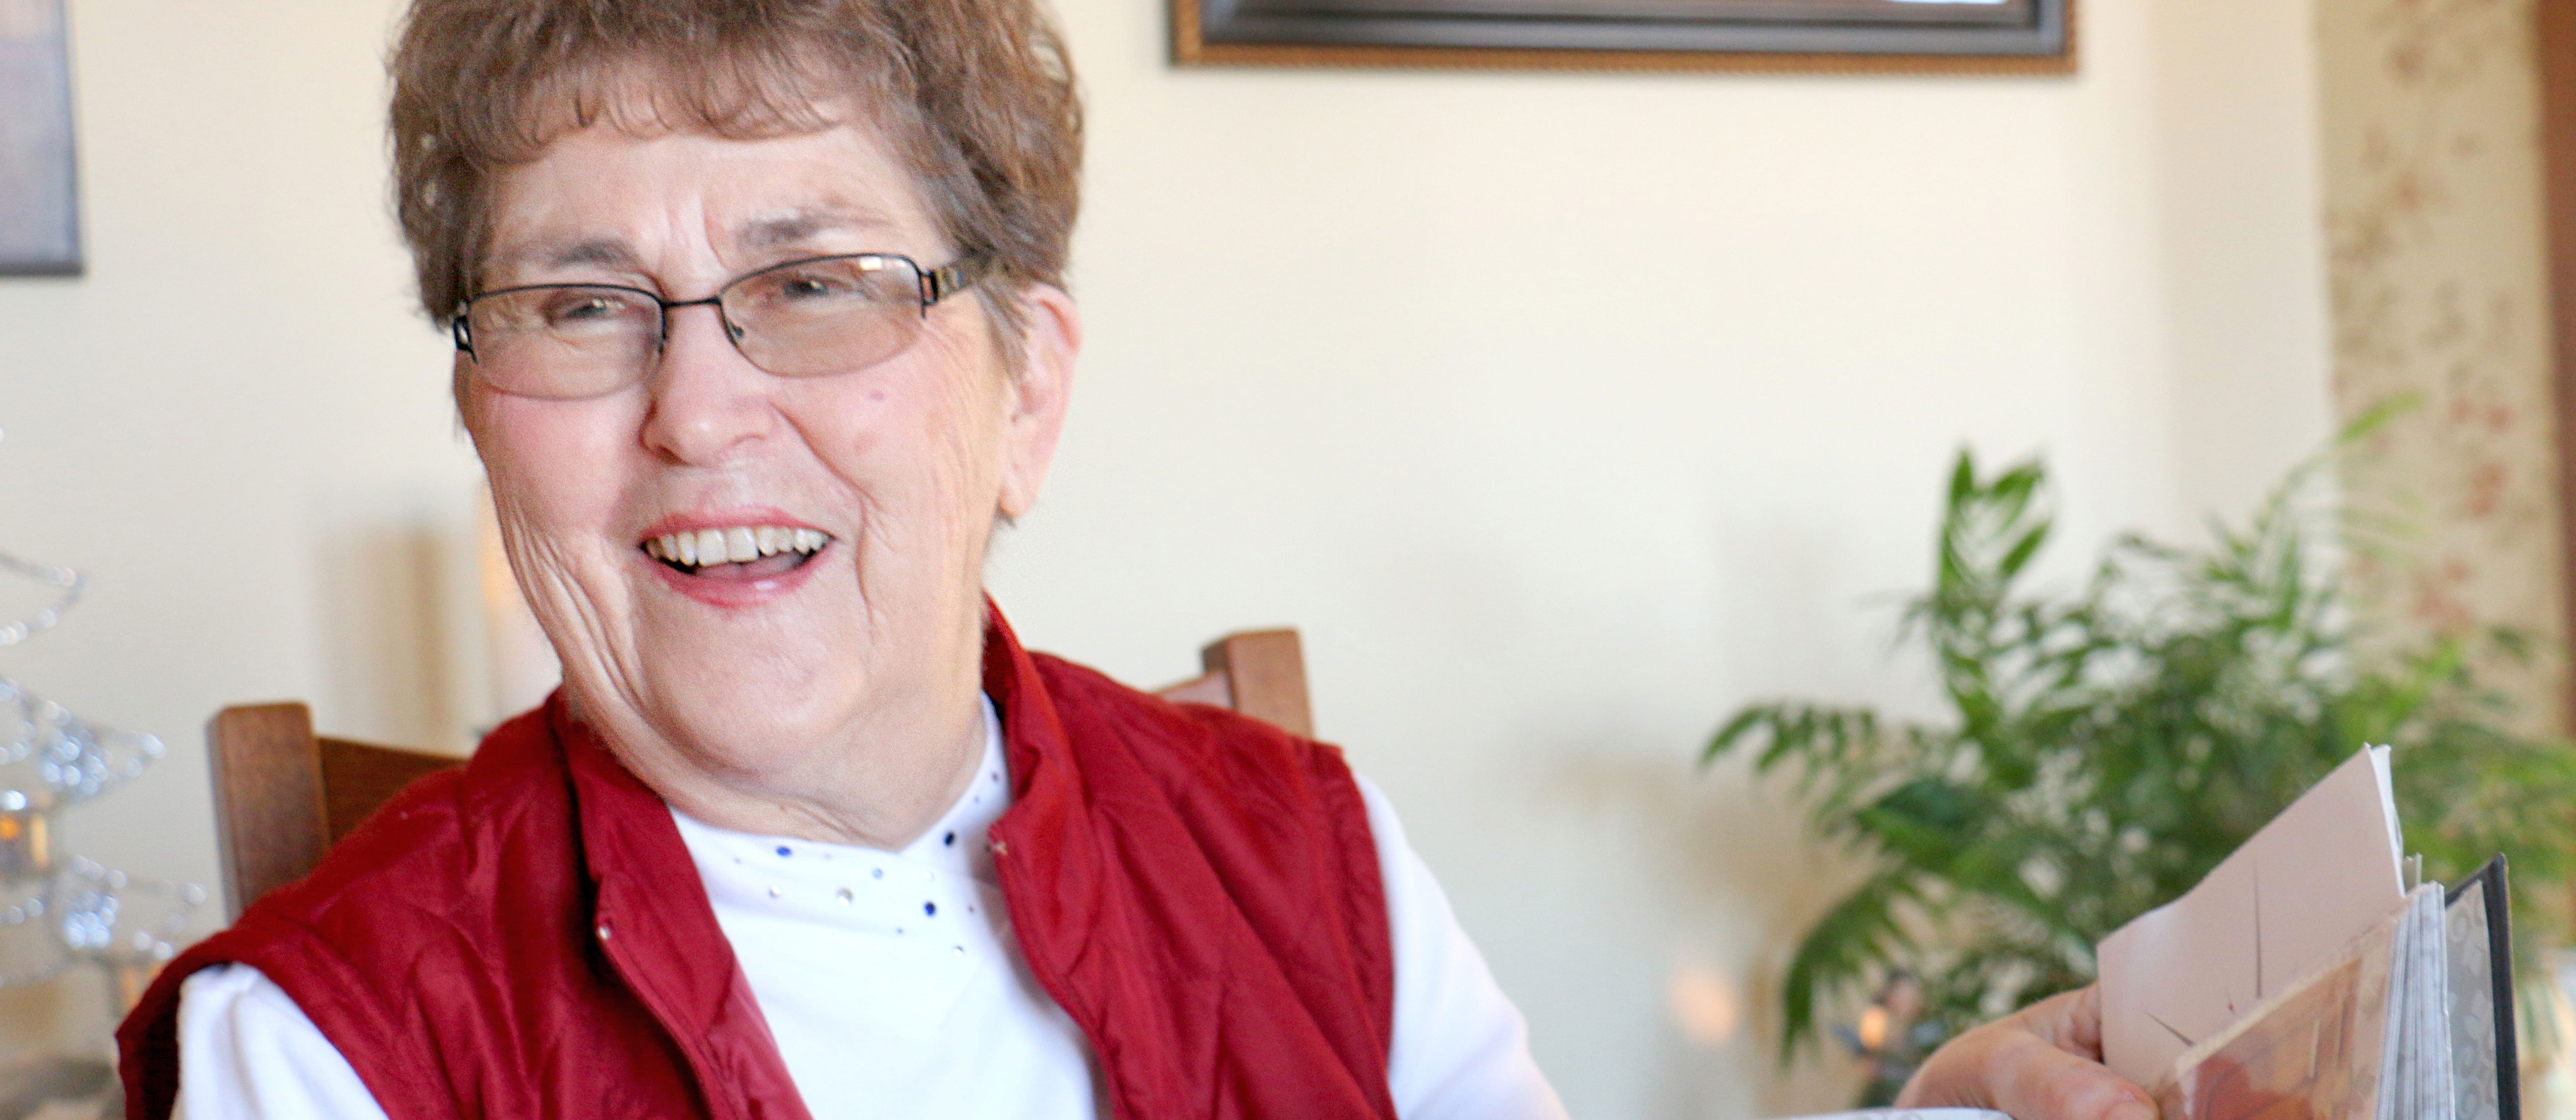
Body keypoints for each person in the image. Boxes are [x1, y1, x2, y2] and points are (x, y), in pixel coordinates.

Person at [114, 2, 2159, 1118]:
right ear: (480, 408)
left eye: (813, 279)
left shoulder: (1305, 852)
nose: (696, 409)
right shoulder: (316, 1044)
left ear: (1028, 390)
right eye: (576, 301)